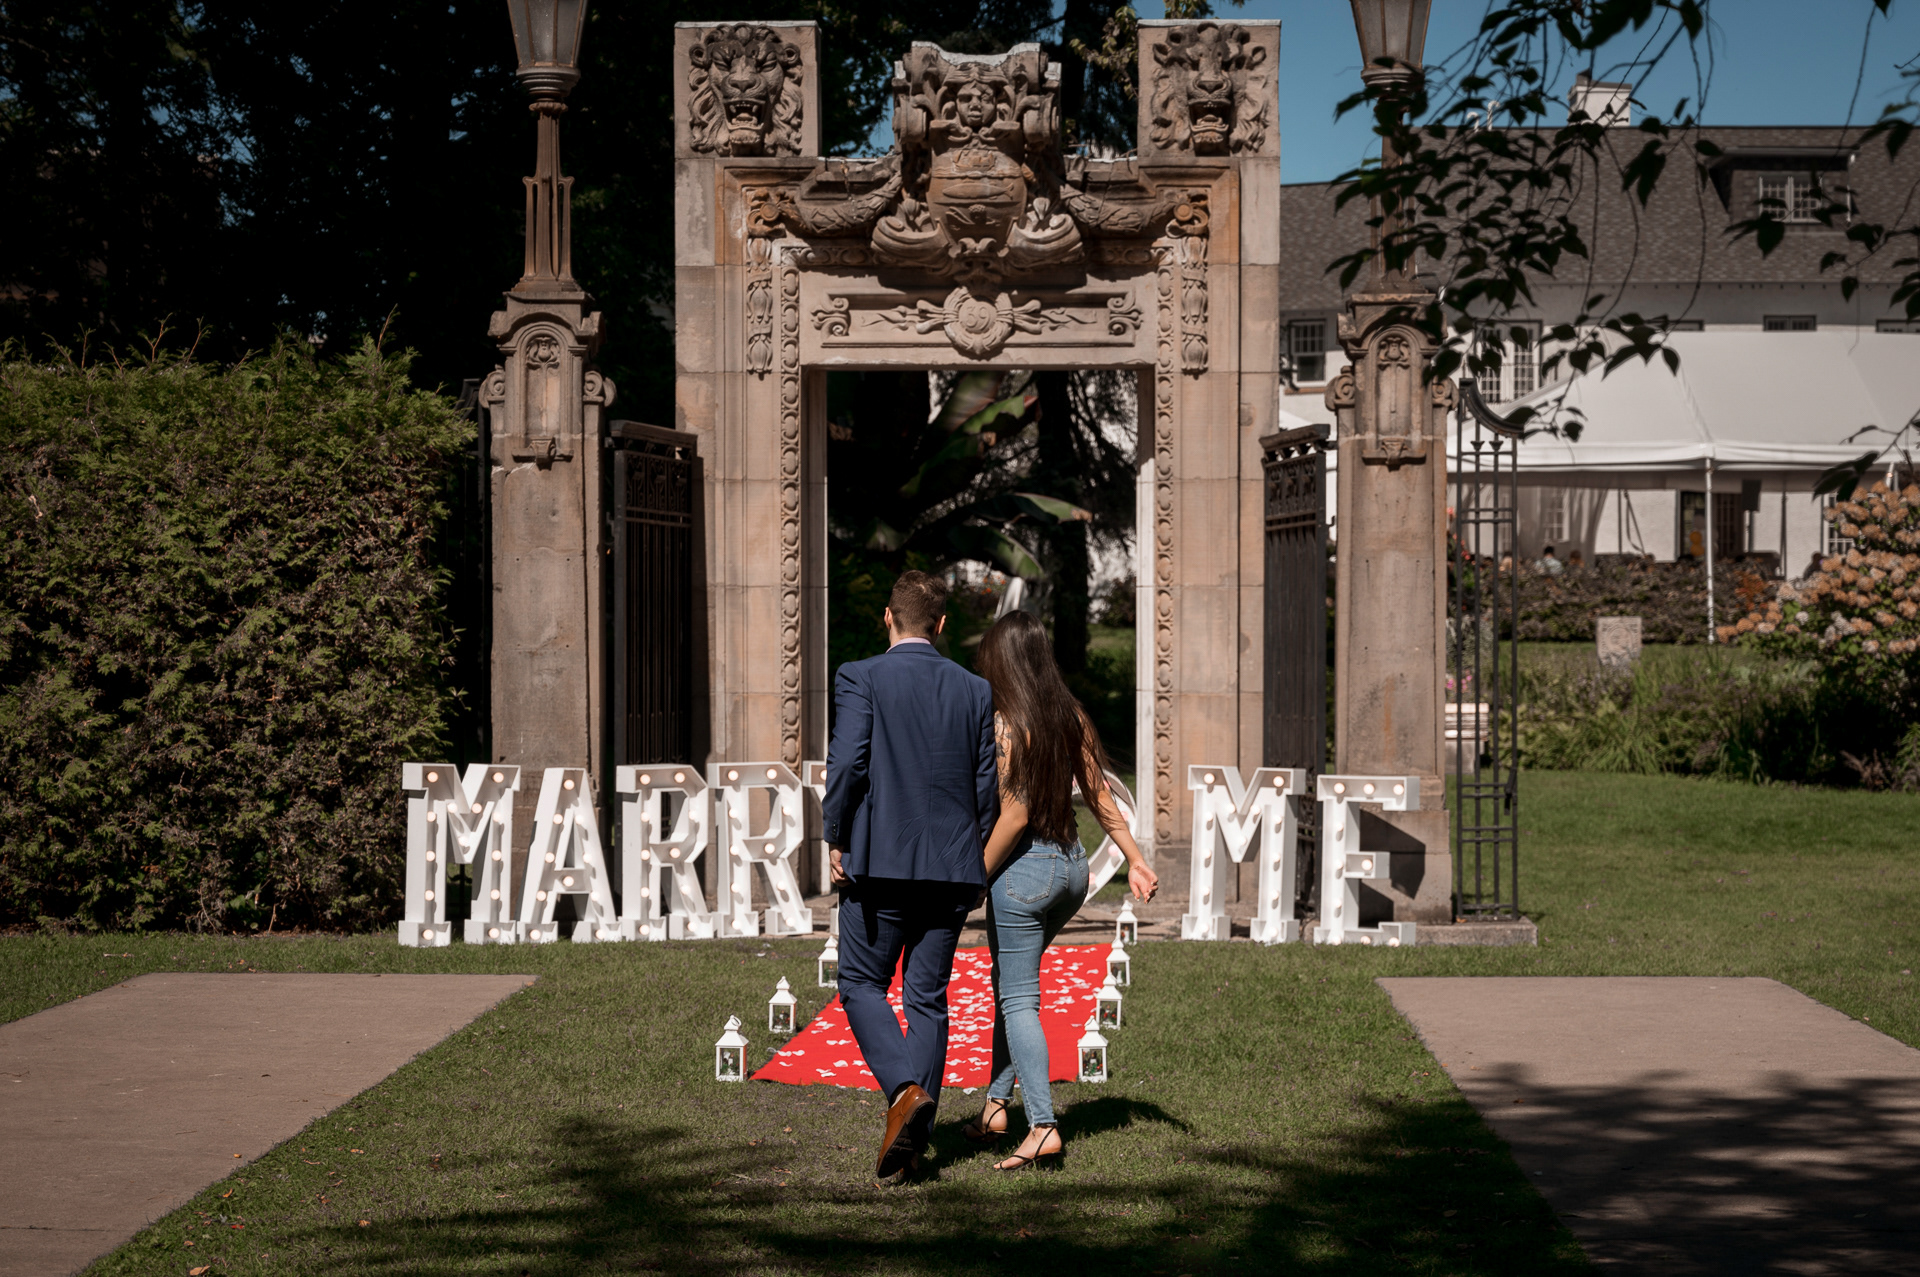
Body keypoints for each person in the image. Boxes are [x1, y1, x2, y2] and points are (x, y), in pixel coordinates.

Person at [961, 611, 1158, 1171]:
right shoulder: (1069, 713)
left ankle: (1043, 1125)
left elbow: (1015, 815)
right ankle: (997, 1106)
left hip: (1023, 875)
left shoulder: (1007, 723)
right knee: (1011, 983)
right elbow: (1100, 793)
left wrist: (977, 876)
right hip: (1072, 870)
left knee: (1018, 998)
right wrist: (1135, 859)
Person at [822, 570, 997, 1187]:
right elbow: (984, 788)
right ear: (942, 624)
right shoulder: (976, 690)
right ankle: (914, 1146)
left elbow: (846, 762)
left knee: (861, 983)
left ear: (887, 618)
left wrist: (835, 834)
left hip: (881, 863)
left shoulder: (859, 675)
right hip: (952, 867)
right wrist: (973, 857)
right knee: (926, 998)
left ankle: (903, 1093)